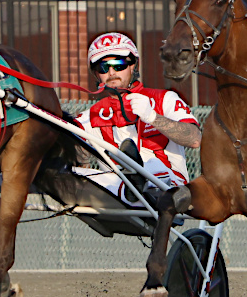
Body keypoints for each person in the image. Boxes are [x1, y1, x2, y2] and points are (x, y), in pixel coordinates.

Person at [72, 32, 201, 204]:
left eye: (118, 65)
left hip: (169, 191)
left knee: (152, 165)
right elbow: (74, 156)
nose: (111, 72)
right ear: (96, 74)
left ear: (133, 66)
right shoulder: (91, 116)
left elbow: (194, 139)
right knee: (72, 174)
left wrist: (153, 117)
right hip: (117, 192)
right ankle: (131, 185)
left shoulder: (165, 99)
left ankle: (137, 182)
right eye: (103, 68)